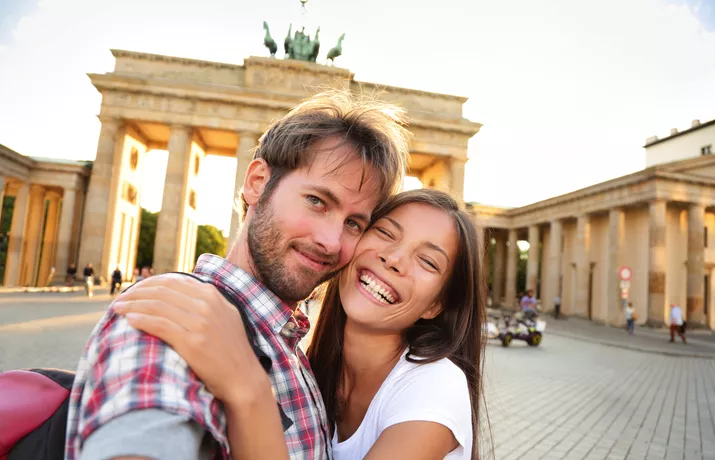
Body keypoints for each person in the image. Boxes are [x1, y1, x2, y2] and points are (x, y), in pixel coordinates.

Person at [65, 90, 410, 460]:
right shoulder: (174, 318)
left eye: (354, 223)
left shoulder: (289, 344)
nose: (331, 241)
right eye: (317, 201)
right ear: (258, 182)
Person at [115, 189, 485, 459]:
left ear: (436, 305)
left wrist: (247, 387)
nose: (394, 259)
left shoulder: (435, 387)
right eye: (386, 233)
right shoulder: (311, 366)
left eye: (428, 262)